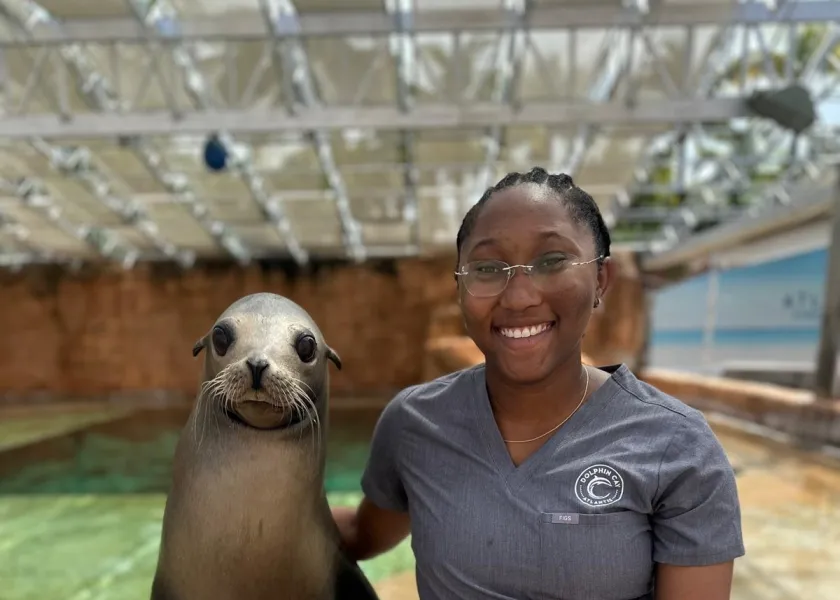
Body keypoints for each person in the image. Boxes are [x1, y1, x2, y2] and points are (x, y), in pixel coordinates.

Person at [332, 167, 745, 600]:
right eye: (487, 268)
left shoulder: (678, 448)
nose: (519, 297)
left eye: (551, 262)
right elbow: (361, 532)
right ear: (460, 288)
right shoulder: (415, 423)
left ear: (601, 280)